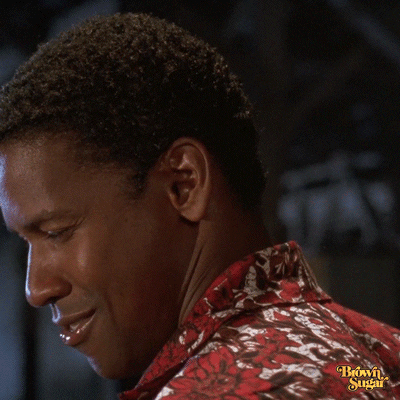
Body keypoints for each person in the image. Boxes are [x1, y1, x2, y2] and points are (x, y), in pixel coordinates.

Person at [0, 13, 399, 400]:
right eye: (26, 242)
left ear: (183, 184)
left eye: (57, 232)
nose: (36, 288)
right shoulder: (382, 360)